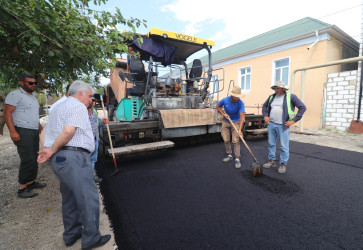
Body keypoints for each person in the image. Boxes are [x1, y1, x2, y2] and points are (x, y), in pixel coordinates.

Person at [37, 80, 111, 249]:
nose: (91, 100)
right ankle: (91, 237)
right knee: (88, 199)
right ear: (80, 94)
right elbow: (69, 131)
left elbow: (47, 131)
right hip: (74, 158)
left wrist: (49, 150)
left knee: (69, 199)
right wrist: (51, 149)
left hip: (61, 160)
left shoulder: (57, 107)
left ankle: (71, 234)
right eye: (90, 96)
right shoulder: (77, 106)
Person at [4, 73, 46, 198]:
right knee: (27, 159)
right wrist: (12, 131)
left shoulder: (32, 96)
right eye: (30, 83)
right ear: (22, 83)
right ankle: (22, 188)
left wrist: (40, 129)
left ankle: (31, 182)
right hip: (22, 130)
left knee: (34, 157)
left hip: (33, 130)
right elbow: (7, 113)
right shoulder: (15, 95)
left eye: (34, 83)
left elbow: (32, 115)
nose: (33, 85)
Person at [262, 81, 307, 174]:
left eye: (278, 88)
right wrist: (265, 116)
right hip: (271, 124)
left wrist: (294, 120)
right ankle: (271, 161)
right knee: (271, 144)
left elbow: (302, 107)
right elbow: (264, 106)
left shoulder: (291, 97)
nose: (276, 90)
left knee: (283, 146)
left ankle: (282, 163)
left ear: (283, 89)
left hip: (283, 125)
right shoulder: (272, 97)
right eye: (275, 88)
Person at [216, 86, 246, 168]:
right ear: (232, 95)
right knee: (226, 139)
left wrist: (240, 130)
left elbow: (242, 117)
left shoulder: (240, 103)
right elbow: (217, 106)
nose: (237, 98)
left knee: (235, 140)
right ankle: (229, 155)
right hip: (226, 121)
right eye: (235, 96)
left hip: (236, 122)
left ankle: (237, 159)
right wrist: (223, 114)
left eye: (238, 97)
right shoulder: (225, 100)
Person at [88, 99, 109, 183]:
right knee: (86, 160)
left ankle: (91, 178)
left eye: (91, 100)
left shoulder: (93, 110)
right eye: (89, 99)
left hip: (95, 139)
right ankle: (86, 179)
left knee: (93, 159)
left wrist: (103, 121)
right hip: (87, 140)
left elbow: (97, 122)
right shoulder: (82, 111)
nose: (90, 101)